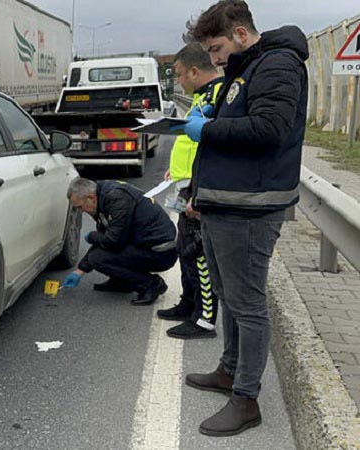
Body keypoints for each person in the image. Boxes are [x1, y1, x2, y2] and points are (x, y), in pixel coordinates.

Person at [173, 0, 308, 437]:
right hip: (226, 203)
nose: (213, 60)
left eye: (216, 48)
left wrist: (209, 129)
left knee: (248, 306)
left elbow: (269, 129)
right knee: (229, 297)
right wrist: (216, 120)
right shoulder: (247, 67)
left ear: (241, 34)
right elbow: (243, 122)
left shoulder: (278, 65)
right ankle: (229, 371)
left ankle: (246, 399)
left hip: (251, 208)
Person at [157, 43, 224, 340]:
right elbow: (191, 142)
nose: (178, 81)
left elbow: (215, 148)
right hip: (185, 183)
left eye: (180, 74)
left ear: (195, 71)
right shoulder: (201, 96)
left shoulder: (219, 96)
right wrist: (176, 170)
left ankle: (204, 318)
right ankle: (188, 303)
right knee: (185, 250)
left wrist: (199, 191)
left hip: (199, 188)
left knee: (199, 255)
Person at [61, 177, 178, 305]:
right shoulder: (102, 197)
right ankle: (121, 281)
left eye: (80, 207)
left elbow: (112, 241)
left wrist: (91, 236)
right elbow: (105, 238)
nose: (81, 211)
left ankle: (150, 284)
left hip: (160, 252)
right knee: (101, 252)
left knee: (98, 258)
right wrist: (80, 270)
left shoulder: (117, 200)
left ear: (90, 198)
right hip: (145, 244)